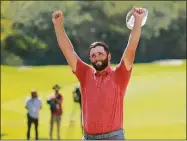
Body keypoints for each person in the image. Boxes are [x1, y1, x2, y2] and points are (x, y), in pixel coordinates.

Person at [52, 7, 145, 140]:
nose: (97, 57)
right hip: (88, 138)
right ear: (90, 59)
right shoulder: (84, 74)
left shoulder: (120, 75)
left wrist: (137, 21)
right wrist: (58, 25)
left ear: (108, 56)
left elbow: (131, 46)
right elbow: (68, 50)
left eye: (100, 54)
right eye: (93, 56)